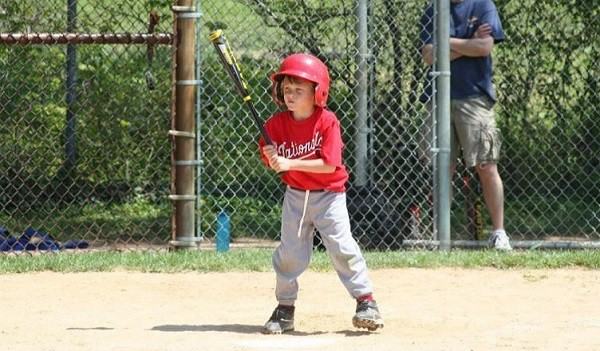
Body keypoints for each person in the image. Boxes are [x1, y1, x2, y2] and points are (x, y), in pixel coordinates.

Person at [258, 53, 384, 334]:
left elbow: (330, 164)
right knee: (289, 253)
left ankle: (366, 301)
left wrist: (289, 162)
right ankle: (285, 308)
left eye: (298, 90)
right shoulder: (275, 125)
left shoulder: (327, 121)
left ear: (318, 92)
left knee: (342, 247)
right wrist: (271, 157)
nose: (290, 95)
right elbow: (272, 159)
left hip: (329, 196)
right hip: (295, 196)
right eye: (287, 90)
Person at [419, 0, 512, 250]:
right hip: (438, 98)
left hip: (474, 97)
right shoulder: (433, 9)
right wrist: (467, 41)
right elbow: (428, 56)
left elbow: (484, 47)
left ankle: (499, 233)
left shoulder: (483, 6)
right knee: (441, 169)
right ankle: (441, 236)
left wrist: (445, 42)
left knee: (486, 165)